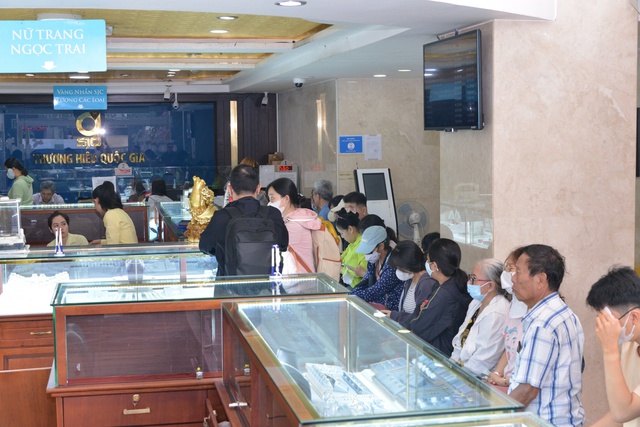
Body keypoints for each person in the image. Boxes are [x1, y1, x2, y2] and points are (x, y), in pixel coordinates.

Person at [508, 244, 584, 427]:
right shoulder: (564, 313)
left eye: (518, 272)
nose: (513, 278)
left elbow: (527, 390)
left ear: (541, 279)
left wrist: (494, 417)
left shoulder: (542, 324)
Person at [199, 164, 288, 276]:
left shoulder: (221, 216)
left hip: (229, 285)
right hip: (267, 284)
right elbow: (283, 245)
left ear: (230, 189)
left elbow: (205, 246)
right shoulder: (273, 214)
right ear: (258, 189)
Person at [587, 266, 640, 427]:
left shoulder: (617, 348)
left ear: (634, 317)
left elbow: (623, 412)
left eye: (609, 321)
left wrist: (609, 350)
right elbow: (621, 407)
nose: (604, 328)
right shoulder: (629, 346)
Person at [403, 238, 472, 357]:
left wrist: (422, 311)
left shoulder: (444, 294)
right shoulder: (453, 283)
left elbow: (419, 326)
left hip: (441, 354)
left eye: (428, 260)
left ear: (434, 265)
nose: (426, 263)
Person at [450, 258, 510, 377]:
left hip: (477, 378)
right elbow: (460, 341)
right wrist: (451, 365)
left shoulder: (496, 314)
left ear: (490, 286)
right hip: (462, 370)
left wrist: (456, 376)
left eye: (474, 279)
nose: (469, 282)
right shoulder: (476, 303)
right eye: (470, 277)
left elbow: (482, 362)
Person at [488, 247, 528, 390]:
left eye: (510, 268)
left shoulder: (533, 314)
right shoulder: (513, 306)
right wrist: (497, 373)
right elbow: (509, 348)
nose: (506, 274)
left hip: (518, 386)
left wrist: (504, 381)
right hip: (506, 382)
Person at [266, 177, 321, 273]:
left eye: (272, 198)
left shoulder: (293, 226)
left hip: (299, 279)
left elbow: (270, 248)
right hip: (302, 276)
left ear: (286, 199)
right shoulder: (299, 219)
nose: (269, 203)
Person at [383, 240, 437, 323]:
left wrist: (394, 315)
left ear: (408, 266)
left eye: (400, 268)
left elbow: (420, 318)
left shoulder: (426, 284)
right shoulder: (410, 280)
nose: (398, 271)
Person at [351, 226, 404, 310]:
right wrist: (354, 292)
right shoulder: (374, 261)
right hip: (376, 303)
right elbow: (365, 282)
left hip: (390, 310)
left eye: (369, 251)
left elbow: (375, 292)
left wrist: (352, 295)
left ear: (381, 246)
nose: (366, 255)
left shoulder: (393, 265)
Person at [334, 209, 367, 287]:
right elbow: (341, 259)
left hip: (359, 287)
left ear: (350, 229)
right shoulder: (352, 244)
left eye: (342, 233)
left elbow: (361, 271)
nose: (342, 236)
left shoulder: (363, 245)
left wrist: (342, 269)